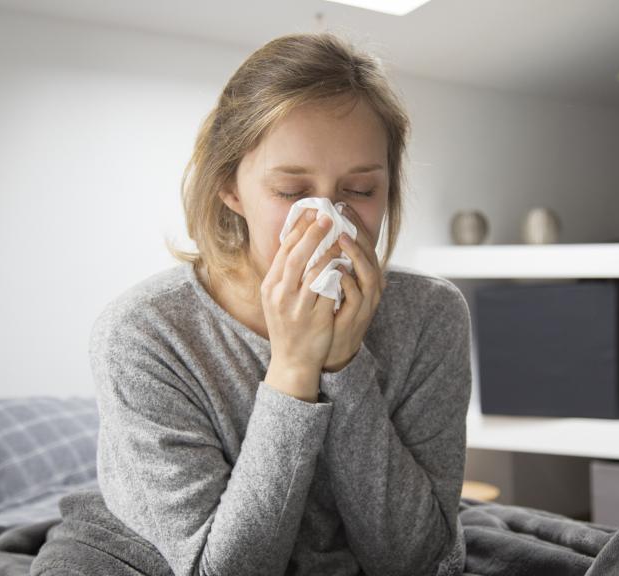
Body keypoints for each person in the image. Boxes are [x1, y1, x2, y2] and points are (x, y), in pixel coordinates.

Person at [88, 32, 472, 576]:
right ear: (230, 187)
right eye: (292, 192)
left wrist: (344, 365)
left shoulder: (431, 313)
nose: (327, 219)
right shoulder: (146, 333)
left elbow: (414, 560)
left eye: (360, 190)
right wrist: (294, 368)